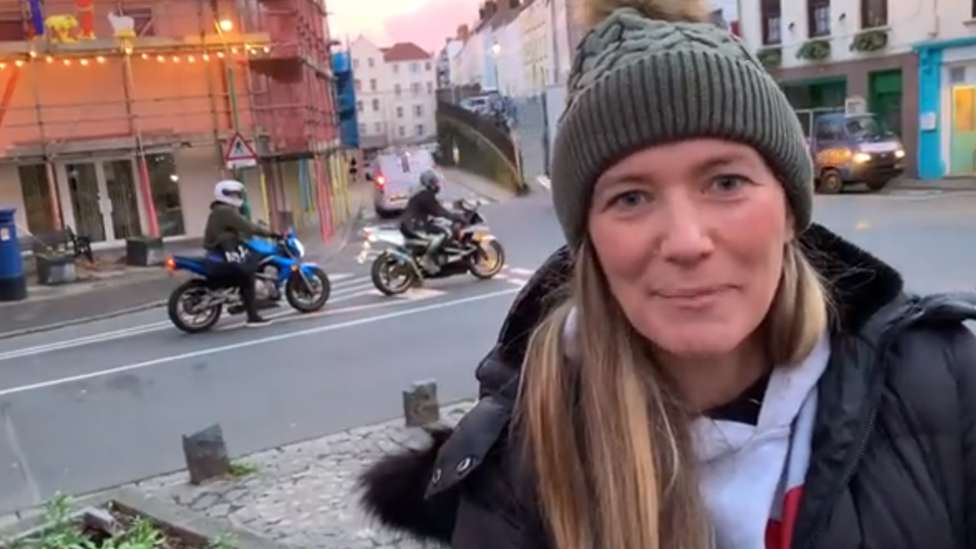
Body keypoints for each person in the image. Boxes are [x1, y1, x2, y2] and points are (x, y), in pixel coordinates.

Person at [355, 0, 976, 548]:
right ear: (589, 242)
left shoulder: (947, 385)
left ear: (790, 211)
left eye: (726, 182)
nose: (685, 241)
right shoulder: (517, 466)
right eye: (630, 197)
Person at [202, 179, 279, 327]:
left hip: (224, 248)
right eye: (233, 194)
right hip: (224, 250)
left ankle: (244, 302)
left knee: (250, 262)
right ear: (224, 194)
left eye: (237, 194)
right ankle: (253, 317)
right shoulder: (225, 211)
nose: (237, 197)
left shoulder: (220, 209)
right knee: (248, 273)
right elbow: (247, 226)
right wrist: (272, 234)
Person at [400, 169, 462, 274]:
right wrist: (455, 217)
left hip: (411, 223)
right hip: (415, 225)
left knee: (436, 227)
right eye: (435, 182)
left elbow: (430, 211)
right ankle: (427, 259)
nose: (437, 185)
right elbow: (438, 210)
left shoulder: (420, 193)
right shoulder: (426, 195)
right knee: (443, 234)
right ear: (430, 183)